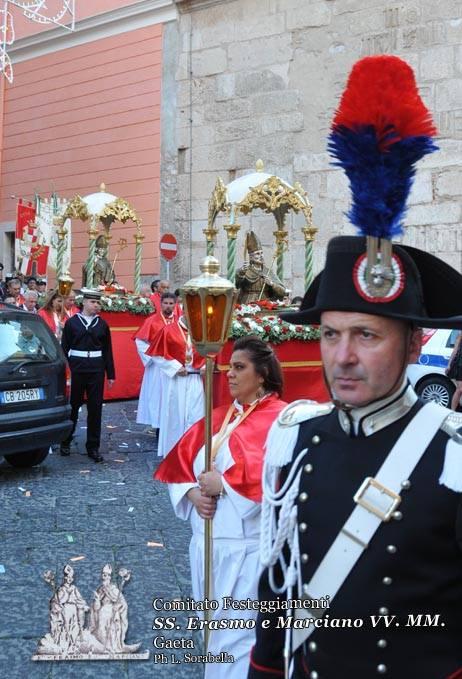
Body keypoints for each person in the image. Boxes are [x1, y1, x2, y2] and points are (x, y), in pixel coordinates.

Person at [249, 55, 462, 679]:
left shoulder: (452, 457)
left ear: (413, 340)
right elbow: (278, 600)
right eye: (332, 333)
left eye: (367, 334)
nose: (342, 355)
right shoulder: (296, 441)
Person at [155, 336, 286, 679]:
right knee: (211, 632)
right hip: (205, 545)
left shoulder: (280, 421)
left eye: (239, 368)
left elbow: (275, 480)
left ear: (262, 375)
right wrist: (191, 495)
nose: (229, 375)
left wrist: (224, 486)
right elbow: (179, 466)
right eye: (229, 368)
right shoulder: (216, 418)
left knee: (236, 638)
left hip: (245, 551)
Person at [60, 288, 115, 462]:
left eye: (98, 302)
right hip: (77, 369)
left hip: (96, 369)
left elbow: (107, 350)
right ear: (83, 302)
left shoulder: (102, 324)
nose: (96, 305)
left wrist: (110, 374)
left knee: (95, 409)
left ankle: (93, 447)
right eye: (92, 302)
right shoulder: (72, 323)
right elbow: (64, 348)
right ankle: (66, 441)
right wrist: (65, 371)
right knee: (73, 406)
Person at [146, 315, 205, 458]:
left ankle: (193, 454)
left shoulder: (203, 332)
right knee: (174, 415)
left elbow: (210, 353)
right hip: (176, 380)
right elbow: (157, 354)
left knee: (197, 414)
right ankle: (174, 453)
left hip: (195, 379)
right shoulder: (168, 330)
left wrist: (205, 365)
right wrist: (174, 367)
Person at [133, 294, 177, 431]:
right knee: (157, 395)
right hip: (157, 366)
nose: (168, 306)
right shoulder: (151, 321)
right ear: (161, 304)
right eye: (166, 303)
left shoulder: (179, 321)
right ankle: (157, 425)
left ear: (175, 305)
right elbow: (140, 341)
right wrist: (153, 357)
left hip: (175, 364)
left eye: (171, 303)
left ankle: (172, 423)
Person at [89, 564, 140, 654]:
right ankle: (104, 647)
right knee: (101, 629)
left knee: (112, 630)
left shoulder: (114, 589)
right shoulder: (100, 589)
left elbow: (122, 602)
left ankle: (112, 647)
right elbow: (96, 607)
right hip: (102, 612)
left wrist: (118, 606)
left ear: (109, 577)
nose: (104, 577)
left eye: (106, 575)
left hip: (112, 612)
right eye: (103, 574)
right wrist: (96, 601)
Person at [236, 231, 288, 304]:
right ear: (251, 257)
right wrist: (241, 273)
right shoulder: (245, 271)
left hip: (265, 303)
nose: (261, 256)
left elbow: (283, 291)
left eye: (261, 253)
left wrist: (272, 284)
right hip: (248, 303)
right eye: (257, 254)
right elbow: (237, 285)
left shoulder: (267, 271)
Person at [446, 331, 462, 410]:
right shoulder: (460, 334)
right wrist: (449, 364)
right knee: (460, 389)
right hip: (460, 365)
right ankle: (452, 411)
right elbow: (455, 350)